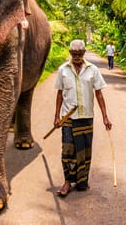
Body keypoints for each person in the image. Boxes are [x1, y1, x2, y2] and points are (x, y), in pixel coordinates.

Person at [53, 39, 112, 196]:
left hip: (86, 118)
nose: (77, 56)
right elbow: (59, 93)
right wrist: (56, 116)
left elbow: (99, 93)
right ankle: (67, 181)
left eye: (80, 53)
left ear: (84, 53)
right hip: (68, 118)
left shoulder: (93, 70)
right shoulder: (63, 70)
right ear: (70, 53)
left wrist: (105, 117)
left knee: (84, 151)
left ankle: (81, 181)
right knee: (67, 150)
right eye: (74, 53)